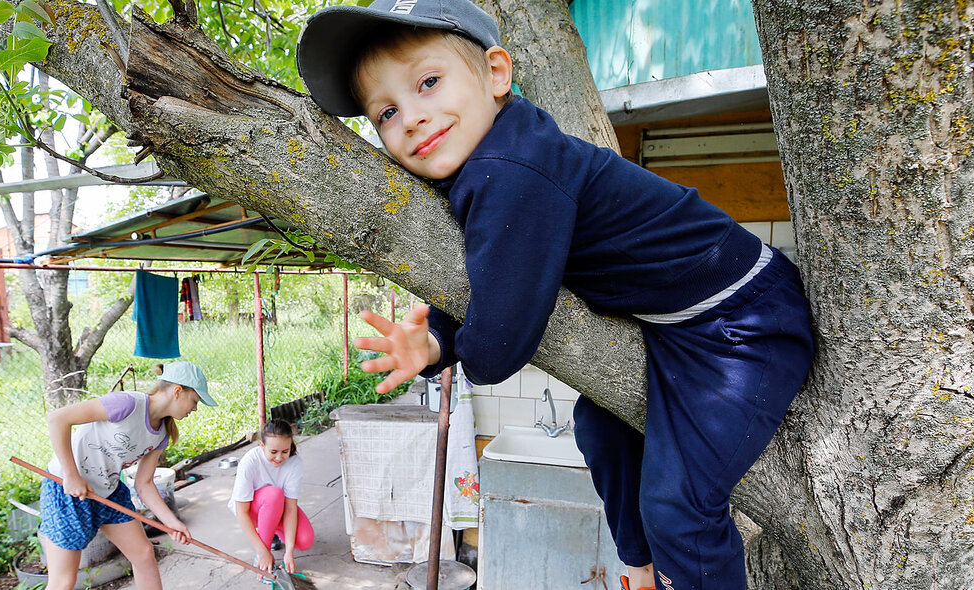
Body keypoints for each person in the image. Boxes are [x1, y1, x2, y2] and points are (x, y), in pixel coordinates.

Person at [295, 1, 815, 589]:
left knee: (680, 505)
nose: (412, 117)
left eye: (429, 82)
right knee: (601, 425)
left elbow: (498, 346)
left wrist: (463, 345)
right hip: (680, 324)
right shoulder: (503, 154)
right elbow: (491, 273)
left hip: (743, 321)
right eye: (386, 111)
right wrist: (437, 341)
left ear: (496, 73)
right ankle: (641, 573)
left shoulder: (510, 169)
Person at [39, 361, 217, 590]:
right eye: (195, 401)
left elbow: (144, 484)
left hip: (108, 492)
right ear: (177, 391)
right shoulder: (127, 404)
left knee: (143, 554)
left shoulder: (162, 434)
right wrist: (71, 475)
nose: (194, 408)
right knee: (63, 582)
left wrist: (172, 523)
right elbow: (58, 418)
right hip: (67, 489)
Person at [230, 418, 315, 579]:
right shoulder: (250, 461)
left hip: (278, 508)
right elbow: (241, 512)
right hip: (253, 512)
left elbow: (290, 508)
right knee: (274, 494)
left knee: (305, 540)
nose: (279, 458)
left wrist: (289, 551)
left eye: (285, 451)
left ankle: (272, 532)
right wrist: (263, 551)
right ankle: (263, 556)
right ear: (262, 446)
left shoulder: (295, 463)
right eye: (273, 452)